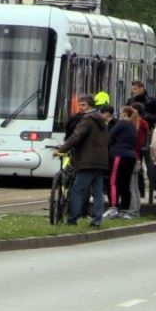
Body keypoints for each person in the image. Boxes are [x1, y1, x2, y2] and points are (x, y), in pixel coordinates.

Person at [54, 94, 109, 228]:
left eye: (83, 105)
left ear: (90, 105)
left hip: (87, 161)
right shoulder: (101, 120)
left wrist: (62, 149)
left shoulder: (87, 119)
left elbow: (76, 137)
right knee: (97, 192)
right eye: (80, 104)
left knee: (77, 190)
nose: (80, 107)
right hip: (101, 161)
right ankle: (97, 220)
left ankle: (72, 219)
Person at [104, 106, 138, 220]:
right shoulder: (133, 126)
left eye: (120, 112)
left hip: (119, 154)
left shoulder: (121, 123)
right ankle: (124, 210)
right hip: (131, 156)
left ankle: (113, 208)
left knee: (113, 182)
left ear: (124, 114)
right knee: (125, 184)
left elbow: (110, 137)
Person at [125, 102, 150, 218]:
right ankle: (135, 210)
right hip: (137, 157)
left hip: (131, 156)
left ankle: (133, 211)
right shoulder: (144, 125)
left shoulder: (136, 125)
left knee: (131, 186)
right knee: (134, 186)